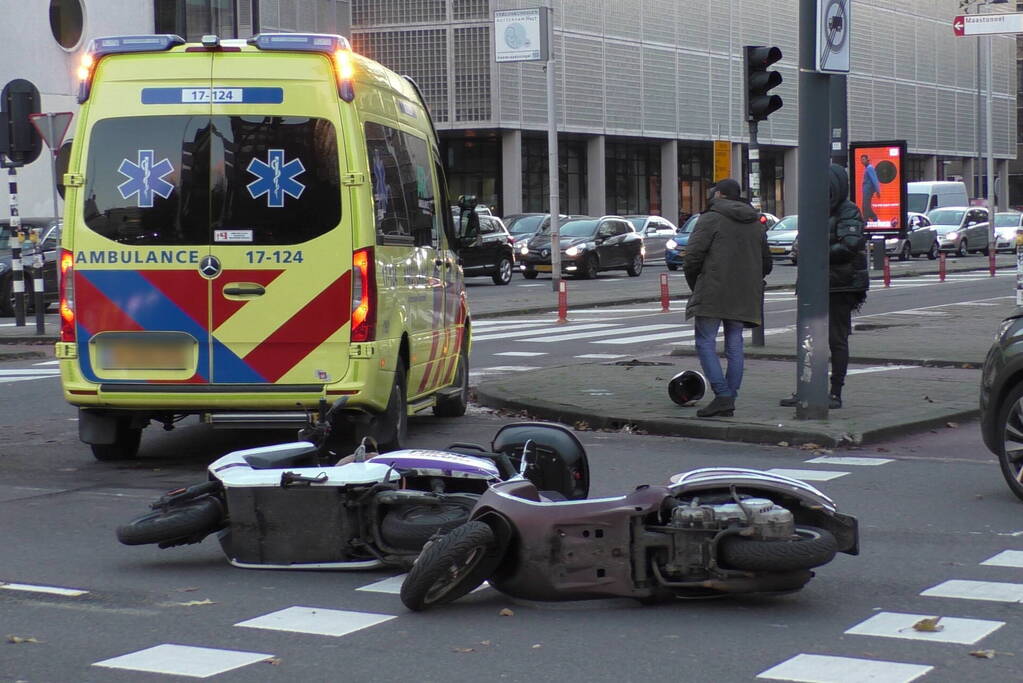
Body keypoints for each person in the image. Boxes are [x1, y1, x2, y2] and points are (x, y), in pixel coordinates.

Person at [780, 164, 869, 409]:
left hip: (840, 285)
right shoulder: (815, 209)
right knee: (809, 336)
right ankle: (808, 387)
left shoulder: (848, 210)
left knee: (836, 339)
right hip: (815, 282)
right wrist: (800, 250)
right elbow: (803, 241)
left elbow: (850, 244)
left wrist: (814, 254)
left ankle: (835, 392)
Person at [683, 178, 773, 418]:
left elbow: (692, 257)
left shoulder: (710, 218)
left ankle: (722, 396)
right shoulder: (756, 222)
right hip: (744, 294)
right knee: (735, 343)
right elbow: (766, 262)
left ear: (719, 194)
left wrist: (697, 285)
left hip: (713, 290)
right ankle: (730, 397)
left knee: (705, 342)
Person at [859, 154, 880, 222]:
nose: (862, 161)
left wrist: (877, 190)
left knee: (865, 205)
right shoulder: (867, 168)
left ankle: (866, 219)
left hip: (868, 190)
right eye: (861, 160)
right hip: (866, 190)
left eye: (863, 159)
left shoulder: (869, 168)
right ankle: (873, 217)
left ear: (868, 160)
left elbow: (874, 179)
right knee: (866, 205)